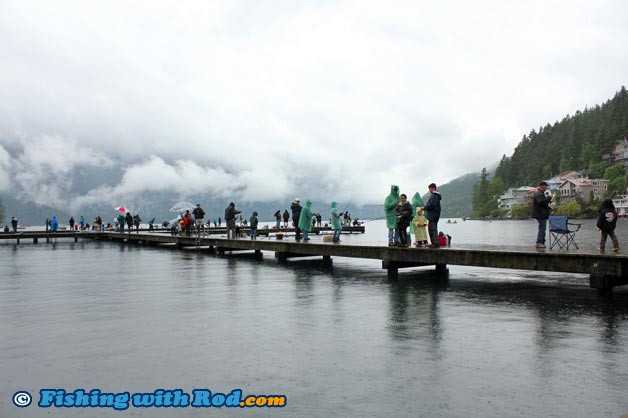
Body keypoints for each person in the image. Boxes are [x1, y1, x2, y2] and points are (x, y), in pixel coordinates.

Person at [531, 181, 552, 249]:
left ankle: (541, 242)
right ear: (542, 186)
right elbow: (541, 202)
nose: (546, 187)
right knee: (542, 228)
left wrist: (548, 206)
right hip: (540, 214)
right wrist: (549, 197)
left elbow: (542, 203)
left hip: (540, 213)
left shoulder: (539, 193)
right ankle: (539, 243)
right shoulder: (539, 193)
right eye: (546, 186)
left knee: (542, 228)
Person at [423, 183, 442, 248]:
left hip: (433, 215)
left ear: (433, 188)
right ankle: (434, 243)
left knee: (432, 229)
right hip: (435, 215)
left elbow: (432, 205)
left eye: (430, 189)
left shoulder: (434, 195)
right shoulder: (436, 195)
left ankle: (435, 243)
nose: (429, 190)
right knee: (432, 228)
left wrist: (424, 207)